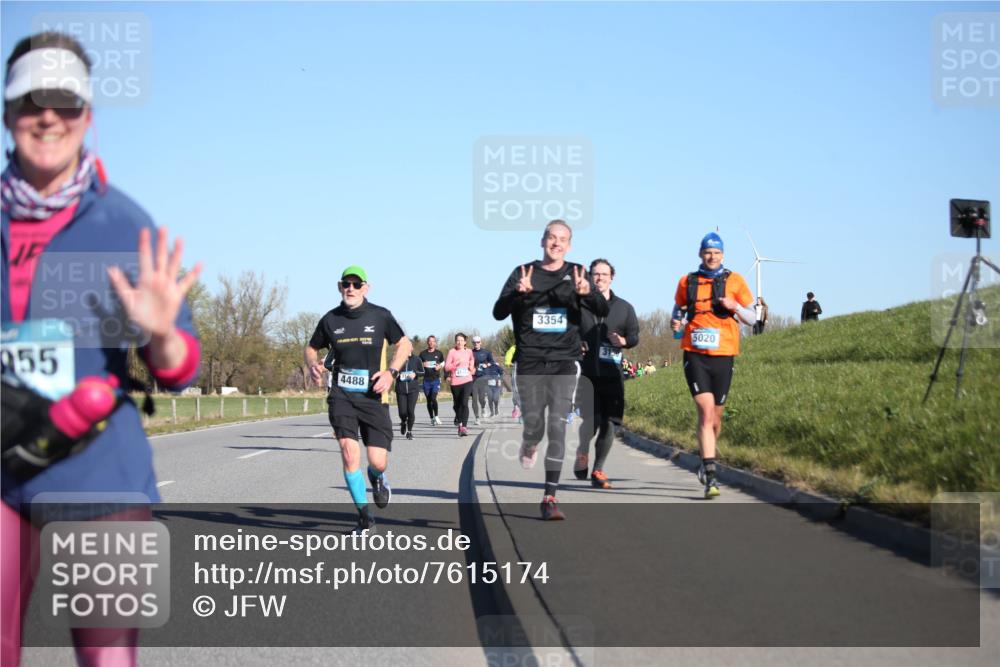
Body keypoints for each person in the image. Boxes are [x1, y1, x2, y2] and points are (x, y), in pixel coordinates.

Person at [2, 31, 202, 667]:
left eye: (64, 102)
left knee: (108, 659)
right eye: (32, 100)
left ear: (87, 116)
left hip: (98, 476)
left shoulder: (124, 224)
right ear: (9, 111)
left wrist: (162, 333)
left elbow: (178, 372)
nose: (48, 117)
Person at [493, 219, 608, 520]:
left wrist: (587, 293)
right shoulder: (523, 272)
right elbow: (498, 312)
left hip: (564, 361)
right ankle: (530, 441)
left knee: (558, 424)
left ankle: (549, 497)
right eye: (551, 238)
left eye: (563, 239)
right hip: (530, 360)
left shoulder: (578, 273)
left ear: (569, 245)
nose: (556, 243)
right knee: (535, 425)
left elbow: (602, 309)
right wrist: (518, 293)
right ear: (542, 241)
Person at [305, 266, 412, 533]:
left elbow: (406, 345)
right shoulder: (330, 319)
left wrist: (391, 372)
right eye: (345, 284)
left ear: (366, 287)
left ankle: (377, 479)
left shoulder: (380, 315)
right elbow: (311, 347)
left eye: (356, 284)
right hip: (342, 396)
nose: (350, 288)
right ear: (339, 287)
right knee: (348, 452)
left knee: (377, 461)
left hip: (374, 396)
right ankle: (365, 517)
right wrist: (311, 365)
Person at [670, 232, 754, 498]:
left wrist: (734, 307)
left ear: (723, 255)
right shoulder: (687, 281)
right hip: (695, 354)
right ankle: (711, 475)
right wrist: (676, 327)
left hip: (725, 354)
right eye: (708, 252)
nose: (712, 256)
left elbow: (753, 318)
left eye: (717, 253)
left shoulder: (736, 280)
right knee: (706, 413)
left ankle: (707, 457)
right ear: (700, 254)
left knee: (716, 419)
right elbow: (677, 310)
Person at [575, 259, 639, 490]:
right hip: (586, 375)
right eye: (596, 274)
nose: (600, 278)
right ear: (590, 278)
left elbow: (634, 336)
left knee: (610, 423)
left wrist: (624, 341)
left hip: (613, 376)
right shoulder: (579, 305)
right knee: (591, 422)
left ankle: (598, 469)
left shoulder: (624, 308)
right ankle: (582, 450)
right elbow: (565, 330)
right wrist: (575, 342)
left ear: (612, 277)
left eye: (604, 274)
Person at [445, 333, 475, 436]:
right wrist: (455, 365)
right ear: (455, 341)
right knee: (457, 405)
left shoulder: (469, 351)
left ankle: (464, 427)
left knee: (464, 403)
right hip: (455, 382)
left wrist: (471, 367)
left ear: (465, 342)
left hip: (467, 380)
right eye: (457, 340)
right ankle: (459, 421)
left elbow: (471, 360)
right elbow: (447, 367)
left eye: (461, 340)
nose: (459, 342)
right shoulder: (452, 352)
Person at [394, 350, 424, 439]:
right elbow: (392, 371)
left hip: (413, 390)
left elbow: (423, 372)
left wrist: (415, 374)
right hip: (401, 389)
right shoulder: (398, 359)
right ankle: (403, 422)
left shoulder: (417, 359)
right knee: (402, 412)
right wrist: (395, 374)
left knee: (410, 411)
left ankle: (409, 432)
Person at [470, 335, 498, 425]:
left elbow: (492, 362)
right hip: (473, 377)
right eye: (474, 342)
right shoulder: (469, 352)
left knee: (481, 398)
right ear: (472, 343)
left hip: (483, 377)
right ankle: (477, 418)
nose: (476, 344)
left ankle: (483, 406)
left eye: (478, 342)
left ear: (480, 342)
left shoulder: (486, 352)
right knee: (474, 398)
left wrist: (487, 365)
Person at [418, 335, 445, 425]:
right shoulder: (422, 354)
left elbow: (443, 363)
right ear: (427, 342)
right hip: (426, 380)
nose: (431, 343)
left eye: (433, 341)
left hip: (435, 379)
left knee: (433, 398)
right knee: (429, 400)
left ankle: (436, 416)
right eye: (429, 341)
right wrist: (422, 364)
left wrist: (440, 366)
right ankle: (431, 418)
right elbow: (417, 365)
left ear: (435, 343)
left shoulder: (439, 353)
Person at [504, 343, 520, 419]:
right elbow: (508, 357)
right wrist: (509, 363)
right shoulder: (514, 348)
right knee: (516, 390)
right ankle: (516, 407)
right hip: (517, 372)